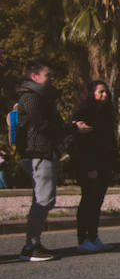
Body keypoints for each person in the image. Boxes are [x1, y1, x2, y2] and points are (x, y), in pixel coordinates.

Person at [17, 61, 91, 261]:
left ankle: (33, 244)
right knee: (44, 199)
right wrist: (73, 129)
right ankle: (31, 247)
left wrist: (70, 126)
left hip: (43, 152)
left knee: (42, 199)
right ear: (35, 77)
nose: (52, 79)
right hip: (38, 153)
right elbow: (44, 126)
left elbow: (52, 125)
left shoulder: (42, 98)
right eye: (48, 75)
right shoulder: (31, 98)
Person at [70, 81, 118, 252]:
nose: (104, 95)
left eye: (106, 92)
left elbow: (110, 141)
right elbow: (80, 144)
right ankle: (82, 238)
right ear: (92, 93)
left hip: (104, 162)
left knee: (97, 202)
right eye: (101, 92)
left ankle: (93, 235)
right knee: (88, 200)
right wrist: (90, 167)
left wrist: (114, 164)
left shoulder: (107, 114)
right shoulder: (83, 113)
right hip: (88, 164)